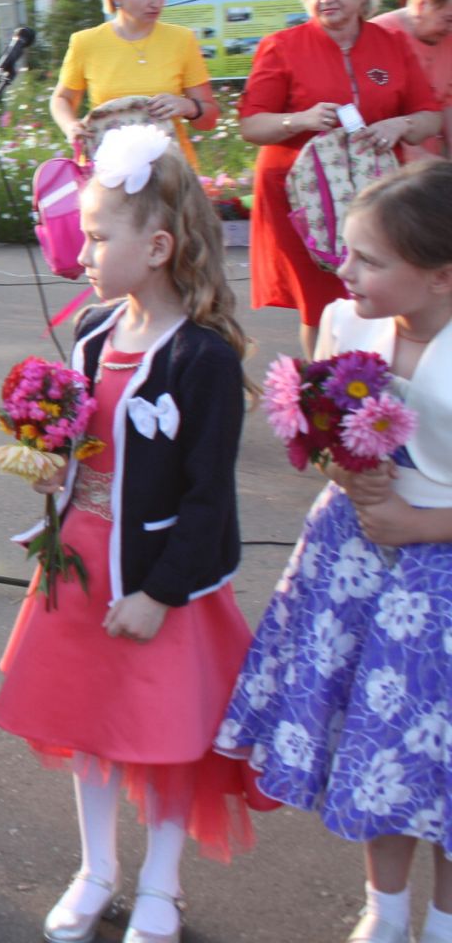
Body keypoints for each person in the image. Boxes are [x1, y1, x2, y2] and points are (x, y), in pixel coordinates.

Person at [0, 125, 269, 943]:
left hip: (158, 581)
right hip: (78, 566)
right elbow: (81, 448)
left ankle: (160, 882)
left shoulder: (203, 359)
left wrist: (158, 592)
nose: (80, 250)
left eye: (98, 235)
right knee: (88, 725)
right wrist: (52, 474)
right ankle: (96, 869)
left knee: (162, 735)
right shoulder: (91, 337)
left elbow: (209, 501)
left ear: (156, 246)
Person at [217, 159, 452, 943]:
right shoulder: (353, 324)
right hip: (354, 565)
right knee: (375, 741)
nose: (342, 269)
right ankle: (384, 912)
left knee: (440, 761)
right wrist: (333, 461)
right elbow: (323, 424)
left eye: (369, 260)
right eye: (347, 251)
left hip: (439, 575)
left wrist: (421, 525)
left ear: (441, 275)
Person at [239, 0, 442, 357]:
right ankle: (323, 395)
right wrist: (301, 120)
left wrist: (399, 124)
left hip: (377, 197)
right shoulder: (281, 47)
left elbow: (429, 117)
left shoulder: (391, 44)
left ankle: (378, 388)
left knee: (384, 294)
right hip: (306, 203)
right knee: (322, 306)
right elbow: (252, 124)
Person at [48, 0, 220, 170]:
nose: (156, 2)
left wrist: (188, 106)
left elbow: (209, 119)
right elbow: (61, 99)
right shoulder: (86, 42)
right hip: (109, 169)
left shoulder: (182, 39)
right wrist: (70, 126)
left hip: (170, 172)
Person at [369, 0, 452, 160]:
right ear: (423, 4)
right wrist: (423, 163)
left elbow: (448, 104)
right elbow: (374, 113)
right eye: (449, 20)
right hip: (386, 164)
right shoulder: (377, 37)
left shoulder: (448, 40)